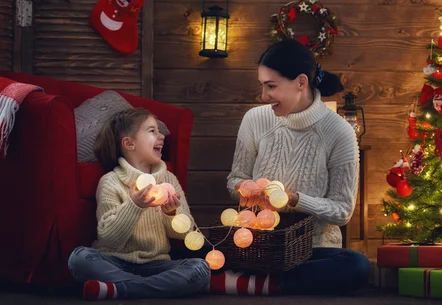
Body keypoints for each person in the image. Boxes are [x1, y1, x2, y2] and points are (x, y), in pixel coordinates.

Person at [220, 39, 371, 295]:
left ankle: (258, 285)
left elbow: (342, 211)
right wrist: (244, 188)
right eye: (262, 86)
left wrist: (293, 199)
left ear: (301, 83)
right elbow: (235, 179)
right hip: (259, 244)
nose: (263, 96)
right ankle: (271, 283)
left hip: (311, 251)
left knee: (356, 265)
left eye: (271, 86)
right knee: (199, 252)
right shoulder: (255, 120)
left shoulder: (339, 133)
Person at [67, 108, 210, 301]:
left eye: (159, 131)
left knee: (200, 268)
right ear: (129, 143)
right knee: (79, 258)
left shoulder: (168, 179)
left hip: (157, 265)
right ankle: (145, 288)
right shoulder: (111, 182)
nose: (162, 136)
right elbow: (109, 239)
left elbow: (186, 234)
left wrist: (172, 214)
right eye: (152, 131)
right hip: (116, 262)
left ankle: (122, 289)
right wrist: (134, 205)